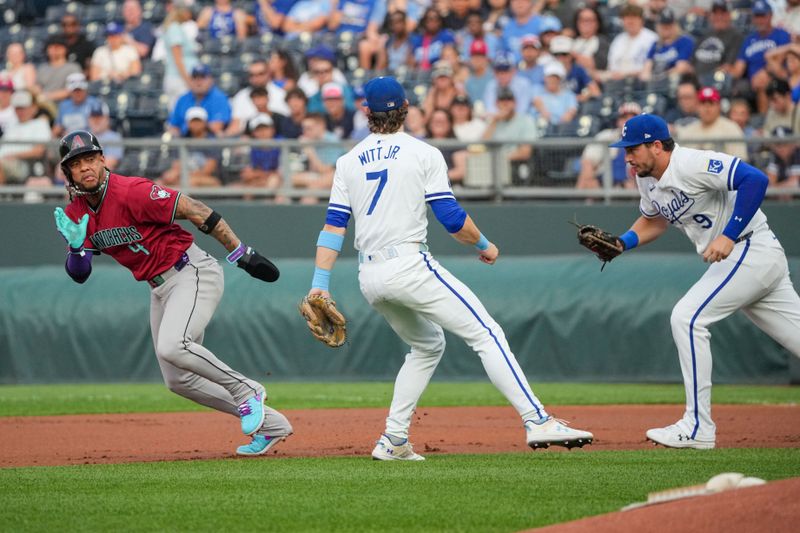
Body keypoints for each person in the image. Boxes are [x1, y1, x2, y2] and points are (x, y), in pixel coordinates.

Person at [307, 76, 593, 460]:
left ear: (365, 112)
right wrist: (485, 245)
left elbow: (333, 228)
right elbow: (452, 218)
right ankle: (537, 420)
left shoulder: (346, 161)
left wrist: (319, 284)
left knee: (427, 344)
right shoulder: (423, 153)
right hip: (408, 264)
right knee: (487, 333)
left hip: (369, 276)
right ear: (406, 108)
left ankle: (393, 440)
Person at [52, 130, 293, 456]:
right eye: (77, 163)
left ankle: (247, 390)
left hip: (191, 271)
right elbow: (80, 275)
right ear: (67, 172)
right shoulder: (75, 213)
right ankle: (272, 425)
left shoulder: (131, 191)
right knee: (178, 380)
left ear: (103, 159)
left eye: (91, 158)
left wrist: (239, 252)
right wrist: (77, 248)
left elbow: (193, 208)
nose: (86, 167)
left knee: (173, 345)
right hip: (159, 288)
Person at [604, 114, 800, 449]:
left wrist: (728, 234)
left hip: (749, 247)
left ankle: (697, 426)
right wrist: (623, 243)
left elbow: (755, 180)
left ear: (656, 145)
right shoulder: (647, 179)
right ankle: (697, 425)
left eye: (633, 148)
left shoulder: (692, 162)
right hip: (744, 259)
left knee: (687, 317)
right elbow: (654, 222)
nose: (627, 157)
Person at [575, 101, 642, 191]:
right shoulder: (606, 136)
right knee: (587, 178)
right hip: (605, 184)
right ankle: (579, 202)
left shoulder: (647, 140)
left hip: (635, 186)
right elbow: (588, 161)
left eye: (633, 118)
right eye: (624, 118)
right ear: (618, 121)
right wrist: (589, 181)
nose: (628, 122)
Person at [676, 86, 747, 161]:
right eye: (703, 103)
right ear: (697, 106)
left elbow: (740, 161)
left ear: (719, 106)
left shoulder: (731, 128)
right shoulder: (689, 130)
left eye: (711, 103)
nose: (707, 108)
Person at [162, 107, 222, 187]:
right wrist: (173, 175)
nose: (196, 124)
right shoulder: (182, 141)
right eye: (193, 121)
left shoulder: (212, 142)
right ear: (188, 123)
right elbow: (176, 166)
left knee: (190, 182)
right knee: (161, 182)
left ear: (205, 122)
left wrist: (183, 175)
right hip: (185, 177)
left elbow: (207, 170)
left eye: (199, 121)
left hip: (209, 179)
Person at [0, 91, 50, 185]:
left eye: (23, 108)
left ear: (33, 108)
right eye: (17, 108)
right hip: (6, 162)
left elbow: (39, 151)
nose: (20, 111)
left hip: (24, 165)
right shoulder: (12, 126)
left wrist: (13, 155)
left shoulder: (40, 124)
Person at [168, 64, 232, 137]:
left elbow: (217, 127)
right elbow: (173, 125)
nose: (198, 82)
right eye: (195, 77)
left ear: (211, 80)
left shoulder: (219, 98)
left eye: (202, 77)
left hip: (211, 143)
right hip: (185, 142)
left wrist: (193, 125)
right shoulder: (183, 99)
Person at [53, 73, 99, 137]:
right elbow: (57, 128)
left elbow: (99, 128)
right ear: (70, 92)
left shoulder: (94, 103)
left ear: (85, 90)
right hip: (69, 141)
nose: (78, 93)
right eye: (75, 90)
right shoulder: (64, 105)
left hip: (90, 140)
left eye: (80, 90)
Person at [765, 126, 800, 200]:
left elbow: (794, 183)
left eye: (785, 143)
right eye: (778, 144)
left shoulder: (798, 154)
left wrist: (776, 189)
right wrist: (779, 190)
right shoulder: (774, 156)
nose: (781, 148)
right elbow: (770, 183)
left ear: (793, 144)